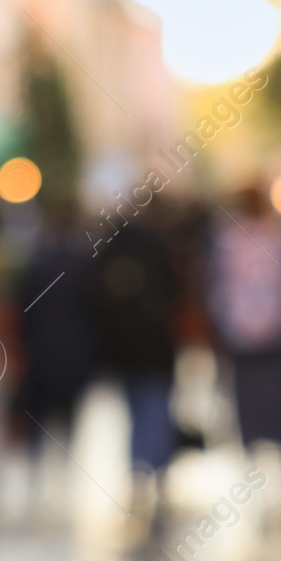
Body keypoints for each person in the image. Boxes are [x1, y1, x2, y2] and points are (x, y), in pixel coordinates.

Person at [208, 184, 281, 518]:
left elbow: (213, 289)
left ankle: (257, 480)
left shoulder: (225, 242)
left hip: (241, 342)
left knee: (251, 411)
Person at [88, 201, 181, 523]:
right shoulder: (155, 247)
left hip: (125, 351)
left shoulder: (109, 252)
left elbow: (95, 300)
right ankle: (154, 468)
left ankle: (141, 470)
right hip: (154, 348)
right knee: (155, 408)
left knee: (138, 410)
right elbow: (173, 292)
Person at [15, 198, 96, 502]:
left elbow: (23, 309)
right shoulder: (81, 263)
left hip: (41, 350)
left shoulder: (38, 262)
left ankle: (37, 470)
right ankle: (62, 471)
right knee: (68, 414)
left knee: (39, 413)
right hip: (72, 351)